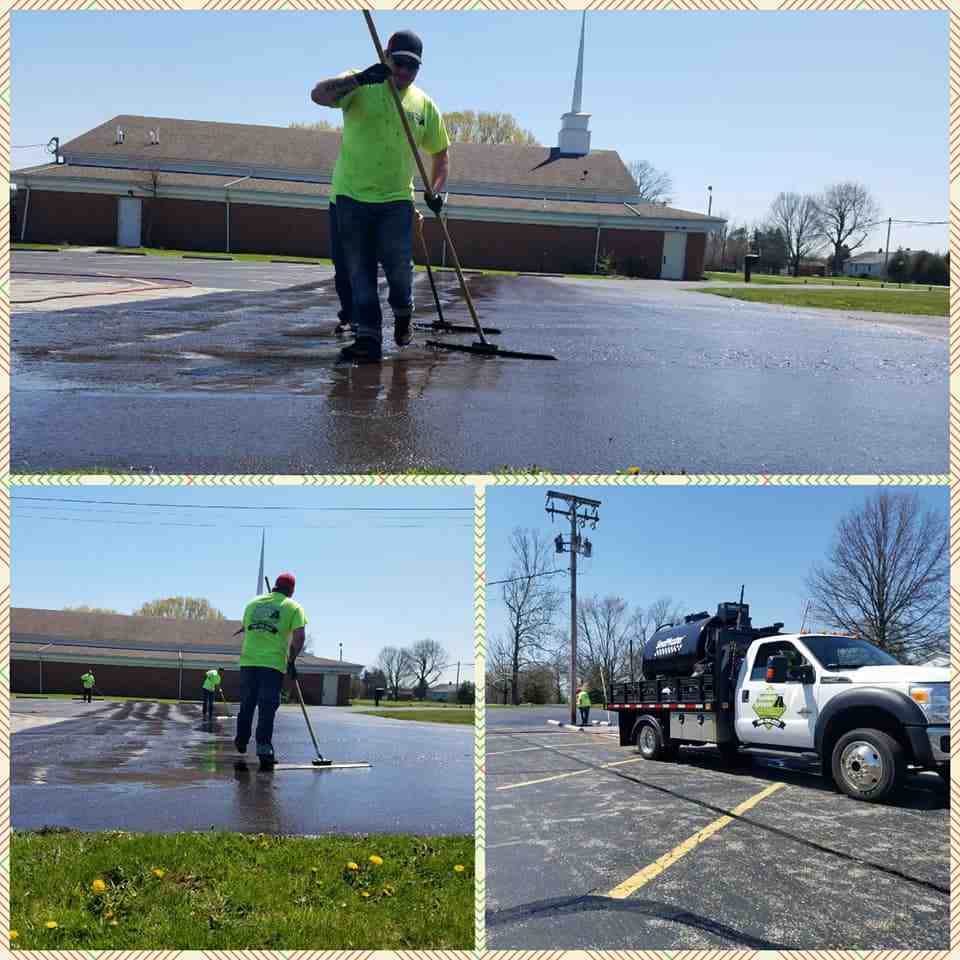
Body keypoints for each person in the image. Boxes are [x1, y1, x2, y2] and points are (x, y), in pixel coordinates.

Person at [311, 29, 450, 364]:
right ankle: (368, 340)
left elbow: (441, 154)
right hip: (351, 196)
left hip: (396, 201)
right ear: (386, 56)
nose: (403, 72)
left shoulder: (423, 105)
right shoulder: (357, 84)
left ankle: (404, 313)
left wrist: (437, 190)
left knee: (400, 270)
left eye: (412, 67)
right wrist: (359, 79)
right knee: (360, 272)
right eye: (399, 63)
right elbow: (317, 95)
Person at [235, 572, 307, 767]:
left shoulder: (252, 604)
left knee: (247, 703)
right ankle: (264, 748)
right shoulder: (293, 607)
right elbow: (299, 637)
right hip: (272, 665)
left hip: (248, 662)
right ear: (292, 590)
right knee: (267, 707)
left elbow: (246, 627)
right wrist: (291, 660)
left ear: (275, 585)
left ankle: (241, 740)